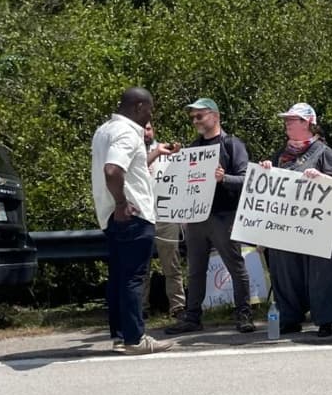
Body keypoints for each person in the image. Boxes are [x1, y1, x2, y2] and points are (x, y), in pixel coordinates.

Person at [91, 87, 174, 355]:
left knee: (118, 277)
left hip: (110, 216)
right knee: (134, 278)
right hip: (132, 214)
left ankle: (120, 336)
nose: (151, 114)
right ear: (139, 106)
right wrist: (121, 203)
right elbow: (113, 170)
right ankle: (135, 339)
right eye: (149, 109)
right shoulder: (127, 132)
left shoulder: (104, 130)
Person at [165, 98, 255, 335]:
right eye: (192, 117)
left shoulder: (231, 144)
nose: (195, 121)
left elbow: (246, 179)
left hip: (224, 216)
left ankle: (244, 314)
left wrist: (224, 178)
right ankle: (192, 317)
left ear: (215, 116)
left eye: (200, 116)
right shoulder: (193, 148)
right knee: (195, 270)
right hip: (196, 218)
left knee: (235, 266)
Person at [259, 103, 332, 337]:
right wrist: (266, 170)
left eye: (292, 119)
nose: (287, 123)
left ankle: (324, 320)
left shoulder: (323, 152)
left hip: (318, 225)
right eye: (286, 119)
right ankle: (290, 318)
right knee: (286, 271)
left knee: (320, 273)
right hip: (287, 225)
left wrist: (321, 177)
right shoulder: (282, 154)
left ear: (307, 123)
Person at [142, 122, 186, 321]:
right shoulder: (132, 153)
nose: (146, 132)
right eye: (142, 129)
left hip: (165, 214)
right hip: (141, 215)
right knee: (141, 266)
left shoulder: (168, 152)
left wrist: (180, 154)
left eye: (149, 128)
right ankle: (141, 307)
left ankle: (177, 306)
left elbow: (183, 175)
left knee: (172, 264)